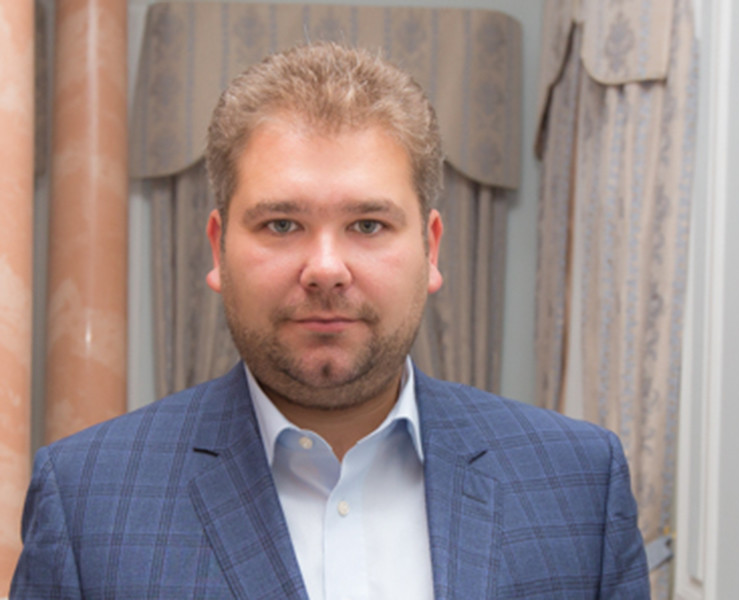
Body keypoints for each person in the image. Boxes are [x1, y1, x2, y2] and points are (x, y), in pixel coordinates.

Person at [11, 42, 649, 599]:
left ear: (430, 248)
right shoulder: (87, 500)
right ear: (217, 249)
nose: (324, 268)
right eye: (281, 224)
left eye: (367, 225)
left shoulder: (577, 483)